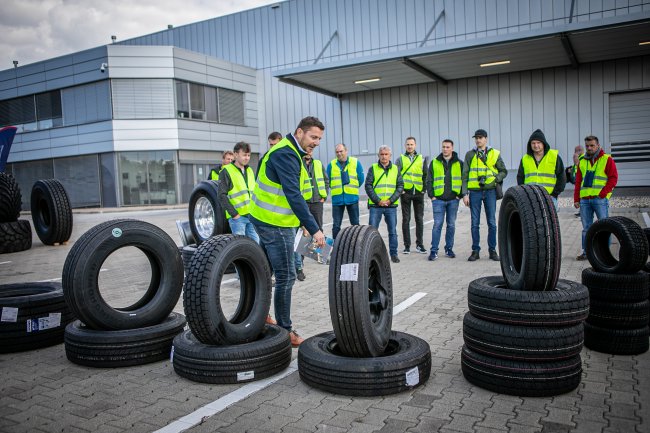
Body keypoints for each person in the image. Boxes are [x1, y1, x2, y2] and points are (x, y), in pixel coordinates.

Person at [249, 116, 326, 347]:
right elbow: (293, 195)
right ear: (299, 132)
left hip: (270, 219)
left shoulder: (293, 151)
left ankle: (260, 315)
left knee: (265, 271)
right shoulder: (286, 154)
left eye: (319, 139)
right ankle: (285, 329)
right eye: (313, 137)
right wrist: (315, 229)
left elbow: (293, 194)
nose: (316, 142)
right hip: (275, 224)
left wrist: (300, 222)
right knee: (286, 276)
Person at [461, 129, 508, 262]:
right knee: (474, 223)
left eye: (480, 138)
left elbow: (503, 171)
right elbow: (464, 175)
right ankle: (475, 251)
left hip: (490, 191)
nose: (478, 140)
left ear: (486, 139)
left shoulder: (494, 153)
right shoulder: (469, 154)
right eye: (476, 138)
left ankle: (492, 251)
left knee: (492, 222)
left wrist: (496, 179)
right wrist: (465, 194)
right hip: (474, 192)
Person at [574, 135, 618, 261]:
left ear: (598, 145)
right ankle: (586, 253)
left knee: (604, 226)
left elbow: (613, 178)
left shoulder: (606, 159)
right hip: (584, 200)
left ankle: (604, 253)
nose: (589, 148)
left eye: (592, 145)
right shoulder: (582, 160)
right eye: (587, 146)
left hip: (600, 199)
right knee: (586, 228)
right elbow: (578, 181)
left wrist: (603, 193)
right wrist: (576, 199)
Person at [365, 145, 404, 263]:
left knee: (392, 231)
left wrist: (390, 200)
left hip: (391, 206)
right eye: (381, 154)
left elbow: (400, 186)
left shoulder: (396, 169)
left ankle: (394, 254)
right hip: (376, 206)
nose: (384, 156)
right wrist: (378, 200)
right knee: (372, 231)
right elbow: (368, 186)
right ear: (378, 155)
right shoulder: (373, 168)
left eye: (386, 154)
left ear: (390, 155)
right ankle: (371, 254)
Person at [295, 149, 329, 281]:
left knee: (319, 229)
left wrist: (324, 196)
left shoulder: (319, 164)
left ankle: (322, 256)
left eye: (310, 151)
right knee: (303, 231)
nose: (308, 153)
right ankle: (300, 261)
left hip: (317, 202)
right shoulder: (299, 164)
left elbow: (326, 180)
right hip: (303, 201)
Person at [426, 139, 463, 261]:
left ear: (452, 148)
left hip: (453, 200)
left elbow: (464, 179)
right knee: (437, 225)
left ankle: (449, 249)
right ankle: (434, 251)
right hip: (438, 200)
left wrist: (460, 196)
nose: (445, 149)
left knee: (451, 225)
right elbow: (429, 180)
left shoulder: (459, 163)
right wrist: (432, 196)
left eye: (447, 147)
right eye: (443, 147)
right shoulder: (435, 162)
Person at [217, 141, 259, 244]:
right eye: (244, 155)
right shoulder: (226, 171)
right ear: (235, 154)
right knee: (241, 247)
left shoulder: (249, 170)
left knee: (256, 246)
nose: (247, 158)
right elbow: (221, 195)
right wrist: (234, 214)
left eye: (249, 155)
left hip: (251, 216)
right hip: (238, 218)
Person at [516, 129, 566, 209]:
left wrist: (554, 194)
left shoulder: (554, 157)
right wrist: (524, 194)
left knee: (549, 221)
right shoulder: (525, 159)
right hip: (530, 199)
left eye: (538, 143)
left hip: (549, 197)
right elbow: (520, 177)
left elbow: (562, 177)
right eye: (533, 143)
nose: (536, 145)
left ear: (543, 143)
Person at [395, 136, 428, 255]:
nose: (410, 146)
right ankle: (407, 246)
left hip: (419, 192)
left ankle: (420, 245)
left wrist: (424, 189)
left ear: (415, 145)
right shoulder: (400, 159)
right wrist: (401, 190)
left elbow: (425, 174)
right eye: (408, 144)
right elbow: (396, 175)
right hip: (406, 193)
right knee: (406, 219)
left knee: (419, 219)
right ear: (405, 146)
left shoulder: (421, 158)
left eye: (411, 144)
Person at [327, 143, 364, 239]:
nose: (339, 153)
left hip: (352, 198)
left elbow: (361, 179)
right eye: (337, 152)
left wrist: (352, 188)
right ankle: (335, 247)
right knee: (336, 225)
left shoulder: (355, 162)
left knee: (355, 224)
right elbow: (328, 181)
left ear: (346, 151)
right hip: (337, 199)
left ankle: (356, 244)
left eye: (341, 151)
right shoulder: (331, 165)